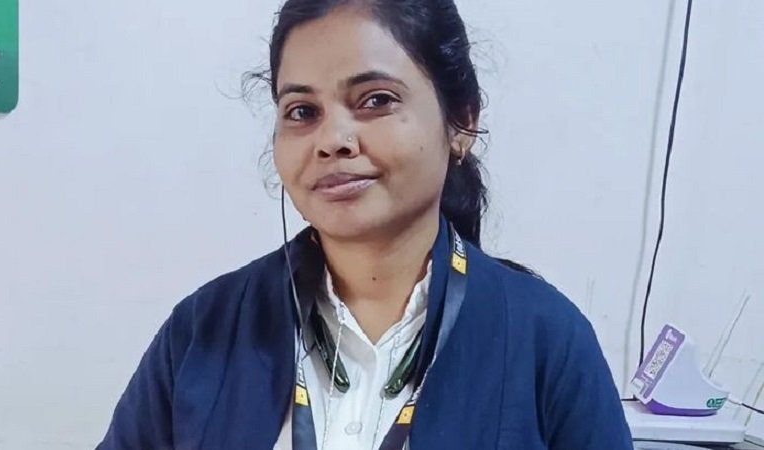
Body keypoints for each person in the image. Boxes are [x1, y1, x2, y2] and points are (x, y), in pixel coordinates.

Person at [97, 0, 633, 449]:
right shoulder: (203, 330)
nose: (333, 140)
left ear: (462, 122)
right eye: (302, 111)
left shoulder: (546, 340)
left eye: (376, 100)